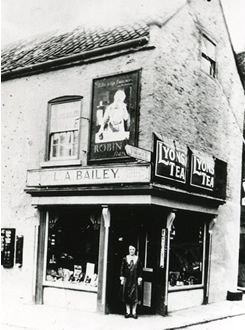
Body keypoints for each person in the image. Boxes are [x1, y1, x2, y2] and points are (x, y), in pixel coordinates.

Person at [120, 245, 143, 319]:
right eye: (130, 249)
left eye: (133, 249)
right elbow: (122, 268)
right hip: (127, 280)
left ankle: (134, 312)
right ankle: (128, 312)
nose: (131, 251)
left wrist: (139, 277)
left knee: (135, 296)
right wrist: (122, 277)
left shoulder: (138, 259)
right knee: (126, 295)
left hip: (134, 280)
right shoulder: (125, 258)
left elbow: (140, 269)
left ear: (135, 250)